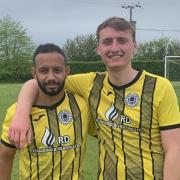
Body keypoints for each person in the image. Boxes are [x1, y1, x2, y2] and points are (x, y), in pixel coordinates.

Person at [8, 17, 180, 180]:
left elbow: (174, 149)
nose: (114, 48)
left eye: (122, 40)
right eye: (107, 42)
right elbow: (38, 82)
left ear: (135, 45)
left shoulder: (160, 87)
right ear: (98, 48)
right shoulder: (90, 83)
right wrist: (21, 114)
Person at [0, 43, 95, 179]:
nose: (51, 77)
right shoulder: (17, 112)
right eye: (44, 71)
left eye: (57, 70)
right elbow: (4, 158)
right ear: (34, 73)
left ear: (67, 72)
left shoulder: (82, 106)